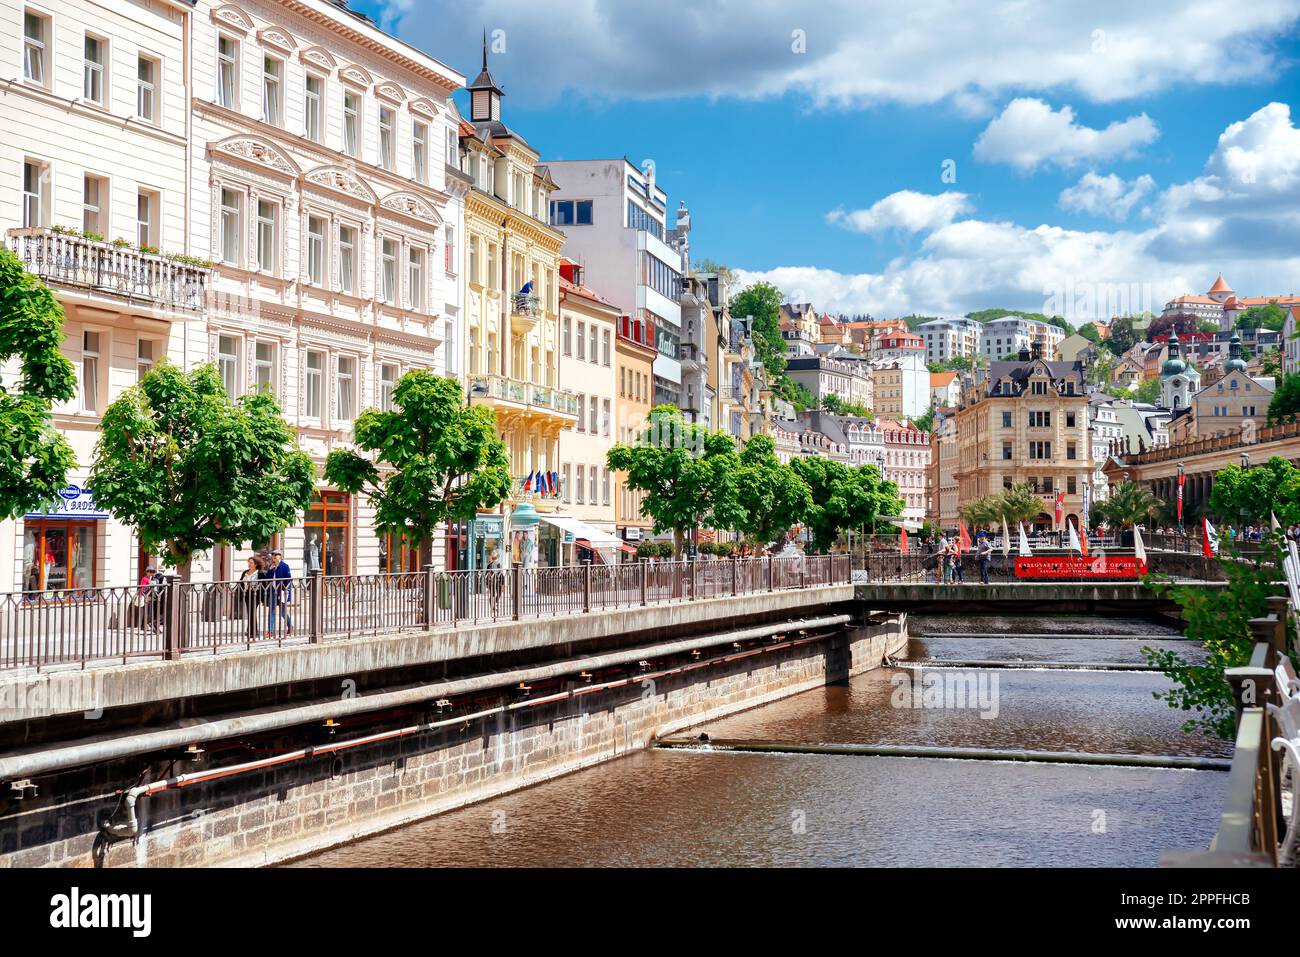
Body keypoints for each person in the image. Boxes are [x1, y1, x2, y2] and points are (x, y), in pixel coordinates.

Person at [266, 548, 293, 638]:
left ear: (280, 556)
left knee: (282, 612)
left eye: (276, 555)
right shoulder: (272, 566)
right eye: (273, 555)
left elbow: (288, 579)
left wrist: (286, 590)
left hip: (281, 591)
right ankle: (270, 631)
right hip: (273, 590)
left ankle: (290, 626)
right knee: (272, 611)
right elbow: (267, 579)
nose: (273, 556)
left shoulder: (285, 566)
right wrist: (270, 570)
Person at [239, 556, 265, 640]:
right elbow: (240, 583)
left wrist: (263, 598)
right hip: (246, 594)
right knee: (249, 612)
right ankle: (251, 630)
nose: (249, 564)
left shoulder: (259, 573)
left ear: (255, 564)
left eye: (251, 563)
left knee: (252, 612)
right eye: (248, 562)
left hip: (255, 594)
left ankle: (253, 632)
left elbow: (264, 585)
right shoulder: (245, 572)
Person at [486, 548, 504, 615]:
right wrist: (487, 584)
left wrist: (503, 584)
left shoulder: (499, 565)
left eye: (495, 557)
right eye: (493, 557)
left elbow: (502, 574)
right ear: (491, 557)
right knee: (492, 594)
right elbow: (486, 575)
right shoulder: (489, 565)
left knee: (499, 593)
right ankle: (493, 607)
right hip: (491, 582)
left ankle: (496, 603)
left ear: (497, 557)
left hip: (498, 581)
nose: (494, 559)